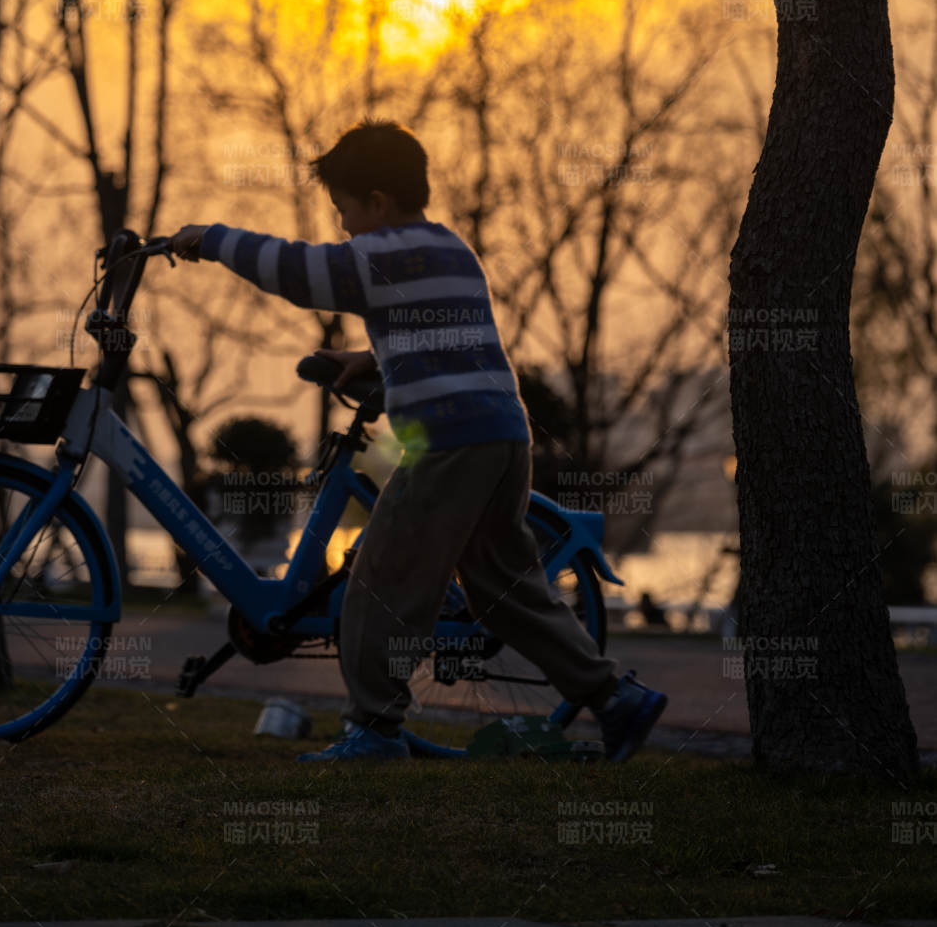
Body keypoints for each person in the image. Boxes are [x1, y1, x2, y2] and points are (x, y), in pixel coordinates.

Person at [171, 117, 667, 763]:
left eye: (344, 210)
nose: (343, 227)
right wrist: (374, 359)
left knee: (378, 580)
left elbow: (300, 272)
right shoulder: (447, 248)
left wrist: (211, 239)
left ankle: (373, 730)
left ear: (377, 202)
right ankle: (614, 698)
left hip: (448, 444)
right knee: (506, 589)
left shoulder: (384, 252)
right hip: (499, 437)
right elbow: (438, 335)